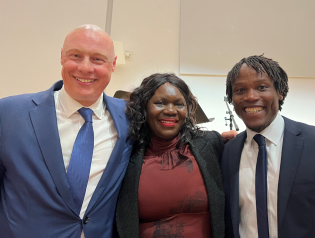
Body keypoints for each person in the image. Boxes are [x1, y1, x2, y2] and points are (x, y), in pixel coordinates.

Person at [0, 24, 132, 237]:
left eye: (97, 59)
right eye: (76, 55)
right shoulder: (9, 113)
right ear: (62, 57)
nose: (85, 68)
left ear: (113, 64)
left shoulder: (129, 116)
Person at [221, 55, 315, 238]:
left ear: (279, 92)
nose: (250, 96)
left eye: (262, 87)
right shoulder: (227, 153)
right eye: (240, 90)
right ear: (232, 99)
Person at [116, 73, 225, 238]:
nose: (170, 111)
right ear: (144, 107)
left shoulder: (210, 144)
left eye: (179, 104)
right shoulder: (127, 153)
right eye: (160, 103)